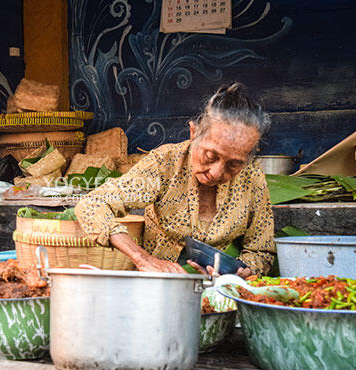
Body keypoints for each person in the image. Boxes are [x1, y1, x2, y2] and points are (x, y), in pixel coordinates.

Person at [75, 83, 276, 277]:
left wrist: (244, 271)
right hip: (159, 286)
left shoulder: (252, 177)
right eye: (210, 156)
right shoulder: (165, 163)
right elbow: (93, 204)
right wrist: (143, 259)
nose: (216, 172)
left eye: (233, 164)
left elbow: (261, 251)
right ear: (194, 133)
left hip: (220, 291)